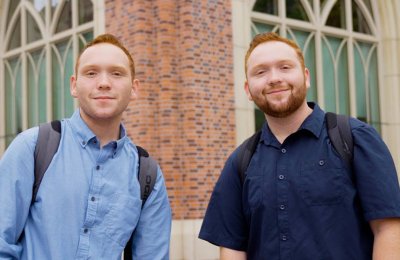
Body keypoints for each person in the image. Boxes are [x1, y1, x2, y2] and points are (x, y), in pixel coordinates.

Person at [199, 32, 400, 260]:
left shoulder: (354, 139)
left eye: (285, 67)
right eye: (261, 72)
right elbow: (233, 248)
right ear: (248, 90)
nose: (274, 78)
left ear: (306, 77)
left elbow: (389, 229)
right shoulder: (240, 162)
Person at [0, 34, 171, 259]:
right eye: (91, 73)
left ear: (134, 89)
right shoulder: (32, 148)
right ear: (74, 85)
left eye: (117, 73)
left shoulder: (147, 175)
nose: (103, 82)